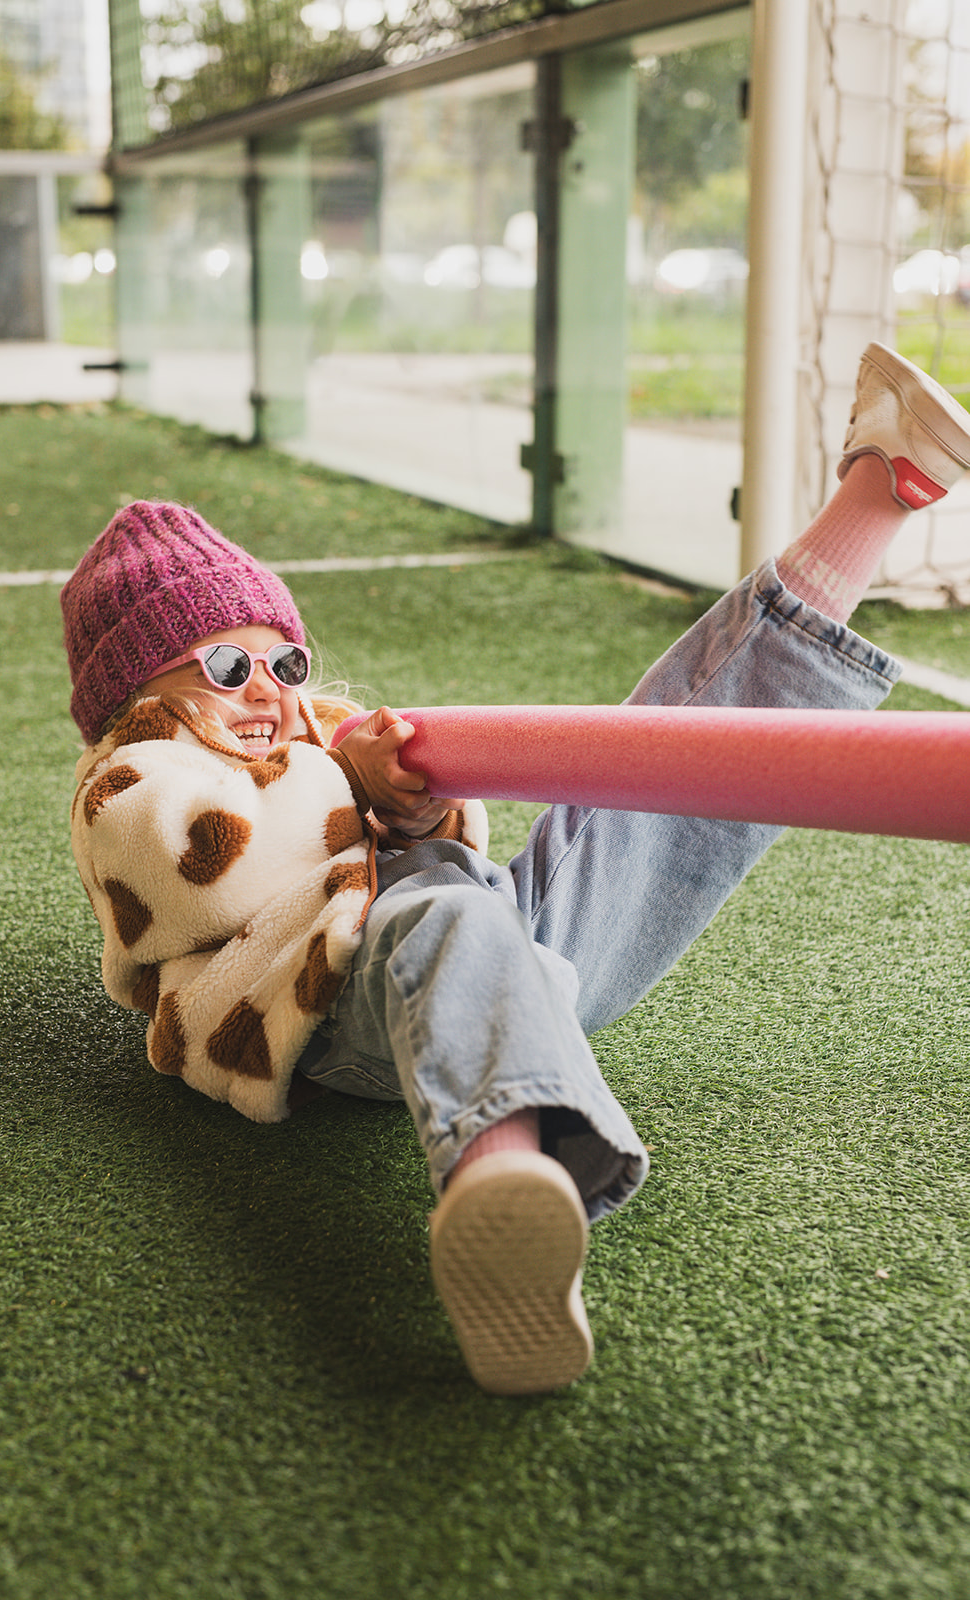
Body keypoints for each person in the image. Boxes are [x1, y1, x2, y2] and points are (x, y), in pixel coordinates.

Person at [61, 343, 970, 1396]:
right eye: (226, 665)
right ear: (137, 695)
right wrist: (350, 780)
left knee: (647, 794)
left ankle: (879, 492)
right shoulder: (127, 779)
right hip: (314, 1012)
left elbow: (442, 849)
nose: (267, 686)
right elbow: (206, 868)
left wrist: (416, 802)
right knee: (444, 914)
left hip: (478, 971)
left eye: (284, 660)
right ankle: (501, 1186)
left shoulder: (309, 737)